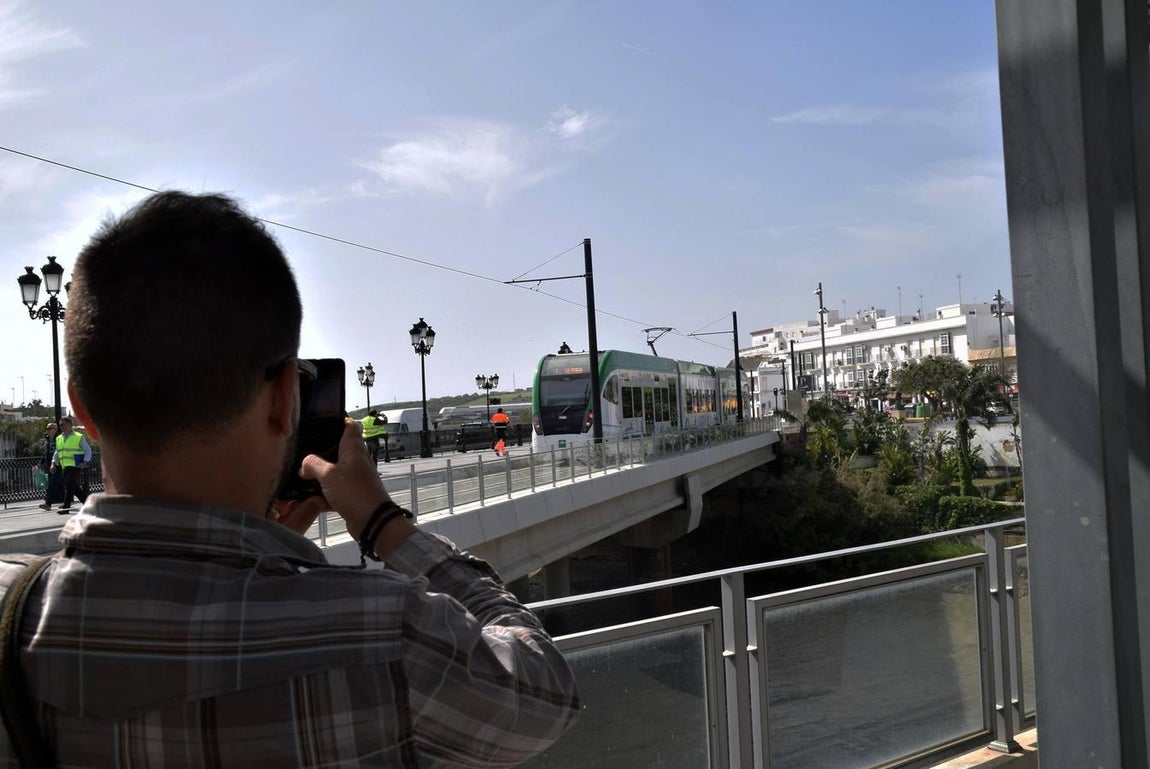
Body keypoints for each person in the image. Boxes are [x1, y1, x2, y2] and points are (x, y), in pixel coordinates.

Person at [0, 191, 579, 766]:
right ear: (284, 398)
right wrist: (384, 524)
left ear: (83, 411)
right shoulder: (385, 637)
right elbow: (544, 691)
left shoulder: (12, 612)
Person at [49, 415, 91, 513]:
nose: (61, 427)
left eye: (63, 424)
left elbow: (88, 449)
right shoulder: (59, 438)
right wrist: (53, 463)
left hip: (76, 465)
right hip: (65, 466)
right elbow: (57, 452)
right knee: (74, 488)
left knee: (69, 486)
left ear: (70, 425)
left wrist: (85, 461)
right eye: (60, 425)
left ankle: (66, 507)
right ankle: (88, 505)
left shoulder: (78, 436)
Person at [36, 422, 60, 510]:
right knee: (52, 484)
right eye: (47, 429)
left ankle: (48, 502)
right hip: (48, 464)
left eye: (50, 428)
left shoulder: (59, 439)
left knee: (54, 484)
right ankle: (50, 502)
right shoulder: (46, 440)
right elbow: (45, 453)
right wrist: (41, 463)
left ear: (55, 429)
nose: (48, 430)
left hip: (58, 464)